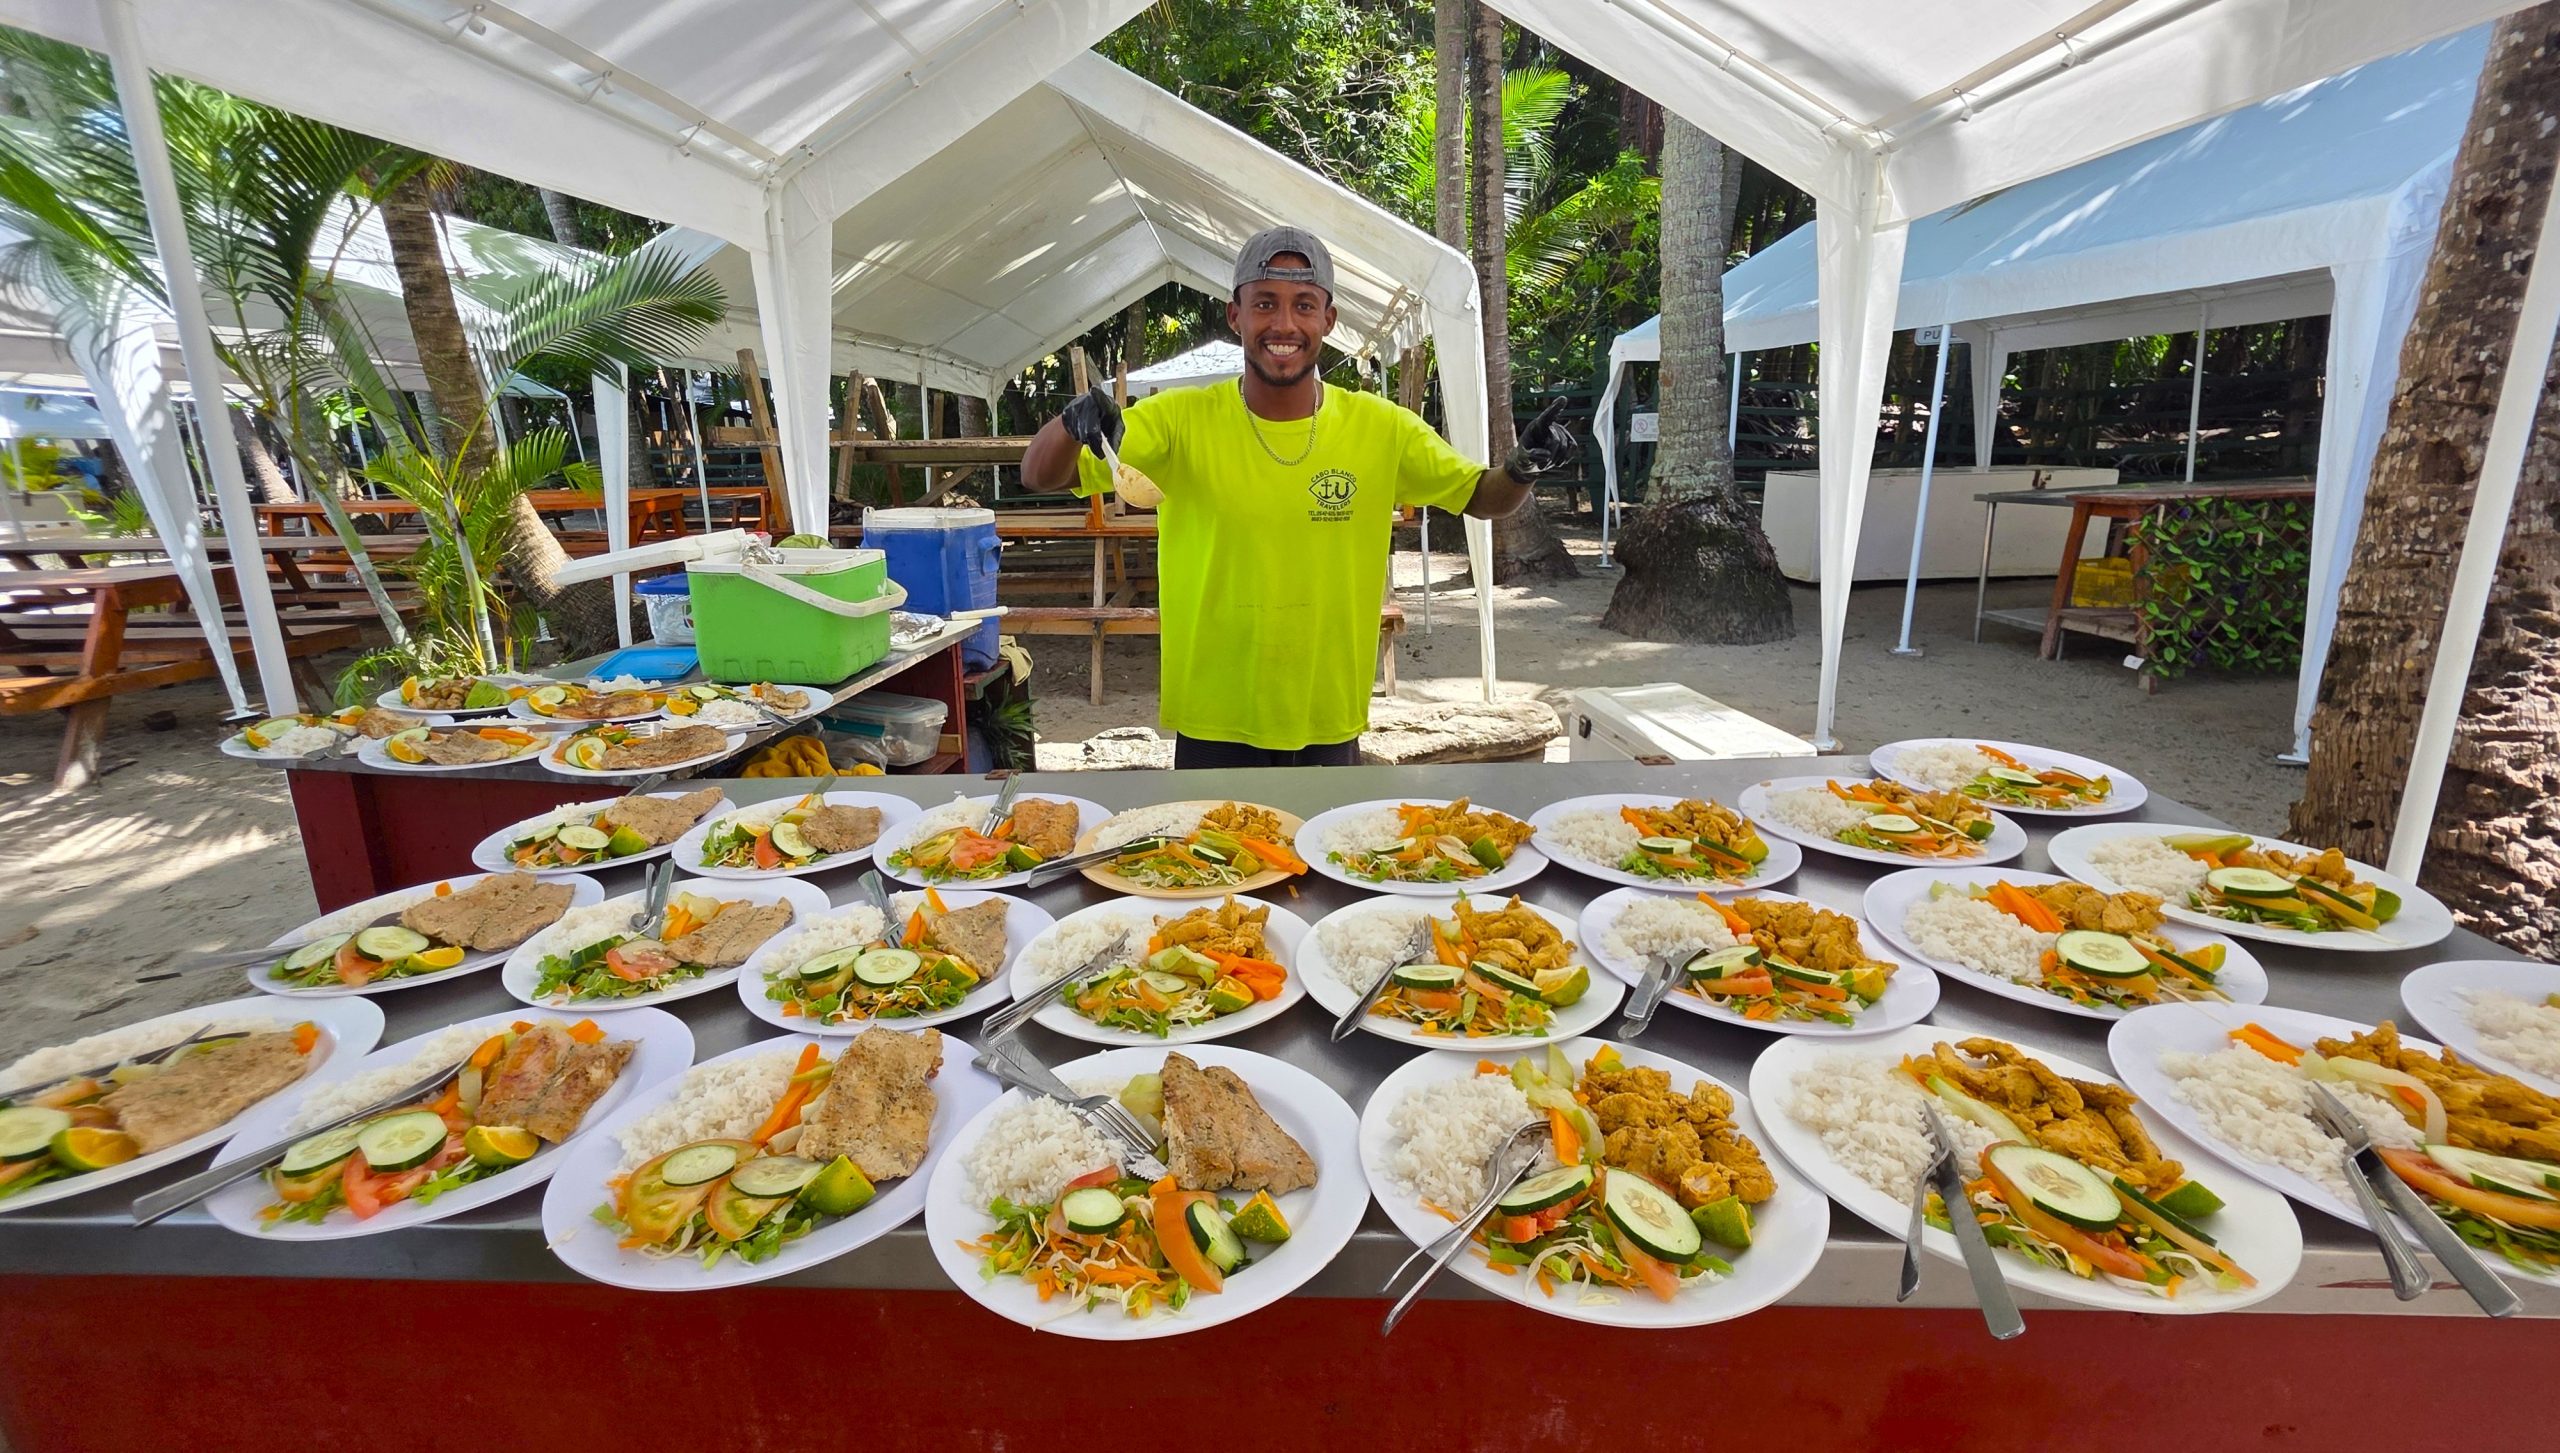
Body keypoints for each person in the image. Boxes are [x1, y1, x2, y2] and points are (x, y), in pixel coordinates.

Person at [1019, 225, 1575, 768]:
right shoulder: (1178, 421)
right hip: (1215, 717)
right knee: (1218, 863)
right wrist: (1072, 424)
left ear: (1328, 320)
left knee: (1323, 860)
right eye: (1265, 304)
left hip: (1327, 713)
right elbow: (1038, 473)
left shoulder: (1382, 428)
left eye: (1304, 305)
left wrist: (1523, 467)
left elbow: (1482, 496)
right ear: (1236, 316)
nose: (1283, 324)